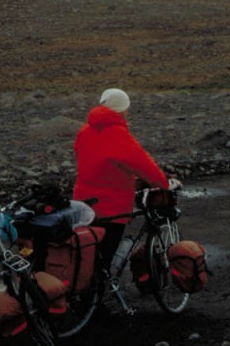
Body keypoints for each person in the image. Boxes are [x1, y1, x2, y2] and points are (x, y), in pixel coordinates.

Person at [72, 87, 173, 266]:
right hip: (111, 207)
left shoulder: (84, 131)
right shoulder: (119, 136)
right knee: (105, 254)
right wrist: (164, 183)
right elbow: (144, 165)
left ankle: (87, 288)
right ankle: (100, 290)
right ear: (122, 109)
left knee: (88, 254)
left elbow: (91, 161)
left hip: (83, 204)